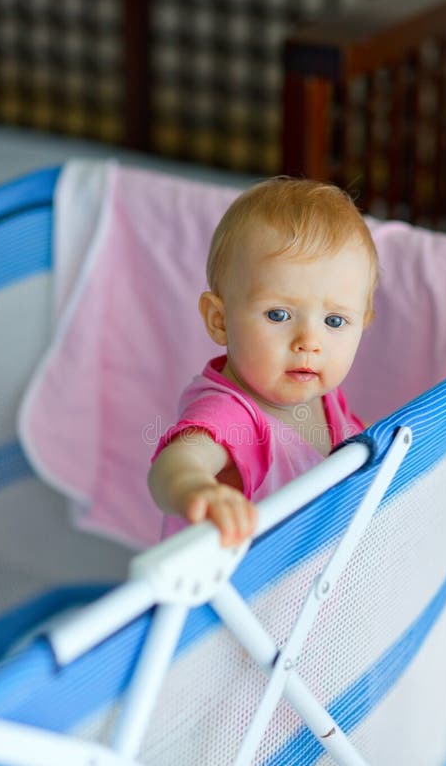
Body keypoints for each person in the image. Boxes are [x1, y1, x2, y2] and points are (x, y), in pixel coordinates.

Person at [148, 177, 378, 546]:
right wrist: (194, 488)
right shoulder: (230, 414)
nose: (309, 343)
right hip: (234, 596)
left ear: (362, 324)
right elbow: (173, 463)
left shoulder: (317, 391)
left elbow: (349, 436)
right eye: (278, 315)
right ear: (220, 321)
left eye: (334, 321)